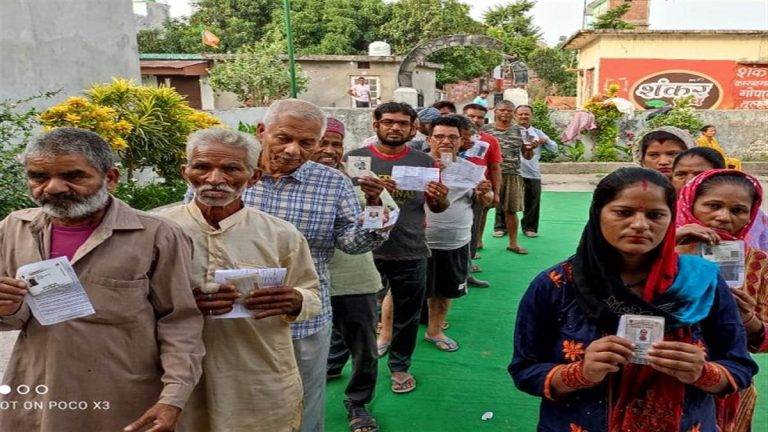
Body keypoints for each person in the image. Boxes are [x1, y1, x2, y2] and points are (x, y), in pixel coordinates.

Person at [186, 99, 390, 432]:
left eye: (307, 143)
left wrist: (375, 210)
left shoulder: (333, 183)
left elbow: (353, 244)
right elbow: (193, 233)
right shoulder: (227, 175)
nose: (294, 150)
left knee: (302, 405)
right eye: (284, 138)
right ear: (262, 132)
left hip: (301, 318)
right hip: (227, 319)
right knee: (227, 403)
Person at [510, 166, 758, 432]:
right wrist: (580, 373)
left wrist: (702, 372)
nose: (640, 225)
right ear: (597, 214)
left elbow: (740, 365)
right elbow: (525, 370)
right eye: (624, 212)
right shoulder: (556, 285)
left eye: (655, 215)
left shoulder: (703, 281)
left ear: (671, 219)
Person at [0, 128, 204, 432]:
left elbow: (180, 322)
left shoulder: (157, 236)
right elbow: (12, 320)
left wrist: (172, 398)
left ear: (110, 177)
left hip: (125, 401)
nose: (54, 188)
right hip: (38, 394)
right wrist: (6, 306)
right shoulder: (14, 228)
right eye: (38, 177)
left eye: (74, 176)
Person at [163, 128, 321, 432]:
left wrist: (297, 300)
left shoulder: (281, 235)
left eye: (231, 169)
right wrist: (184, 303)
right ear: (186, 172)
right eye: (202, 167)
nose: (214, 179)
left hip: (258, 377)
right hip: (178, 378)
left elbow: (312, 293)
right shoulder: (158, 230)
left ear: (253, 176)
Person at [345, 102, 449, 394]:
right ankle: (351, 364)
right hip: (364, 250)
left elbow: (437, 207)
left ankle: (400, 367)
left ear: (413, 127)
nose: (395, 127)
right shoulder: (355, 158)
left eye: (403, 123)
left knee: (408, 315)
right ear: (375, 124)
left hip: (411, 248)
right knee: (360, 314)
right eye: (389, 121)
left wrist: (441, 197)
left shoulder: (425, 163)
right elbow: (346, 205)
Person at [314, 118, 396, 432]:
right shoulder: (279, 183)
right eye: (322, 142)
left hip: (355, 277)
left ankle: (358, 402)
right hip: (303, 280)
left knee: (363, 345)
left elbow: (385, 223)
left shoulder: (361, 179)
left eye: (336, 144)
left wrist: (375, 200)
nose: (329, 150)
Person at [675, 169, 768, 431]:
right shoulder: (654, 251)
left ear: (752, 215)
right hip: (663, 375)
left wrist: (749, 320)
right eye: (712, 206)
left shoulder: (758, 263)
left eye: (738, 210)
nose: (723, 217)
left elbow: (763, 340)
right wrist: (668, 248)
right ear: (690, 203)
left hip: (729, 385)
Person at [424, 116, 493, 352]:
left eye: (452, 137)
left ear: (461, 141)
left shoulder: (472, 170)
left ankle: (434, 331)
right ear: (429, 139)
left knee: (444, 292)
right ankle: (387, 335)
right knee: (400, 292)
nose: (446, 141)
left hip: (455, 241)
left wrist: (486, 192)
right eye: (440, 136)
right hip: (416, 243)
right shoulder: (415, 165)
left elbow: (487, 200)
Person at [482, 100, 532, 253]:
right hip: (488, 175)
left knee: (511, 210)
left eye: (509, 111)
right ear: (495, 112)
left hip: (512, 174)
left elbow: (527, 155)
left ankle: (513, 243)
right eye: (502, 110)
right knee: (482, 209)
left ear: (513, 114)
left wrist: (530, 149)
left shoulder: (521, 131)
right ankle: (477, 243)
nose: (505, 113)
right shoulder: (485, 130)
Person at [455, 115, 497, 286]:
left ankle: (466, 273)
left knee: (470, 234)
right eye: (462, 137)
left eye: (468, 137)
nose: (467, 141)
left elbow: (487, 196)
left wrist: (488, 192)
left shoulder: (472, 165)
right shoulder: (427, 160)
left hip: (469, 202)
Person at [463, 103, 503, 251]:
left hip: (479, 188)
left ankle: (474, 248)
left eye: (480, 117)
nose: (475, 120)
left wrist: (496, 193)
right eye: (471, 116)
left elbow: (495, 167)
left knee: (478, 218)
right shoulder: (453, 137)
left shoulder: (490, 140)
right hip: (455, 188)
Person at [515, 105, 558, 238]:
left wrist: (545, 141)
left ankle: (530, 227)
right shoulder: (511, 131)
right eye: (521, 114)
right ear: (515, 116)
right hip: (512, 172)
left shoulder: (538, 133)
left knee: (532, 202)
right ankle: (501, 226)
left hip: (532, 172)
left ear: (531, 116)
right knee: (506, 201)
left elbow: (554, 149)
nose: (523, 116)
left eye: (526, 114)